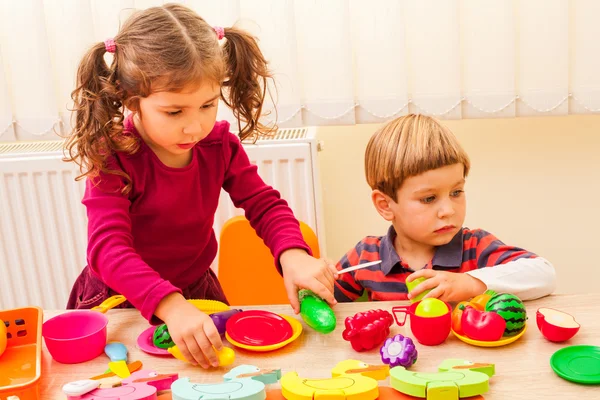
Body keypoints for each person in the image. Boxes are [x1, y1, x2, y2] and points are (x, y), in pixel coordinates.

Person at [64, 3, 337, 369]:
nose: (195, 127)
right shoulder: (113, 155)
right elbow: (108, 250)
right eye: (174, 112)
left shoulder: (219, 145)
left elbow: (264, 205)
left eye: (208, 105)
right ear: (132, 101)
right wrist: (170, 305)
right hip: (123, 299)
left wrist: (294, 255)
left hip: (194, 291)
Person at [334, 114, 556, 303]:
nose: (448, 210)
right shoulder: (365, 256)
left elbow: (544, 273)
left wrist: (470, 283)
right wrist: (316, 281)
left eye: (456, 192)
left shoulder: (475, 247)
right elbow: (327, 300)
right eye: (429, 198)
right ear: (385, 205)